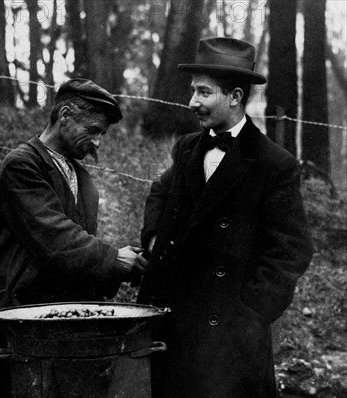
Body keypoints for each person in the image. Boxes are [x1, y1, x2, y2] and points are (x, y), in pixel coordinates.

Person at [137, 37, 313, 398]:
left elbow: (292, 250)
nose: (192, 103)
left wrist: (251, 315)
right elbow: (160, 192)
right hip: (174, 323)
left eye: (203, 93)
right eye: (192, 91)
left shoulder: (274, 164)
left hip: (230, 339)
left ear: (235, 96)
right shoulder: (187, 148)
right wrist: (155, 239)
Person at [0, 78, 147, 397]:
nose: (98, 142)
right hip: (18, 322)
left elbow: (79, 255)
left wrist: (119, 267)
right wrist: (114, 260)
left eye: (103, 133)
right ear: (65, 115)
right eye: (93, 129)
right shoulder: (21, 165)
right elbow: (56, 238)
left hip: (60, 326)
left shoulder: (81, 177)